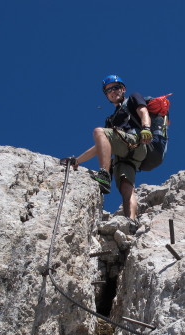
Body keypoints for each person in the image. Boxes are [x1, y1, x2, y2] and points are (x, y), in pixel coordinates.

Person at [60, 75, 152, 232]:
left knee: (98, 131)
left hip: (136, 141)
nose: (112, 92)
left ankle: (104, 174)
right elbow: (100, 146)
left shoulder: (133, 98)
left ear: (123, 89)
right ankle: (131, 222)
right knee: (125, 186)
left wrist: (146, 128)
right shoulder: (110, 120)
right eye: (108, 90)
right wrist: (78, 160)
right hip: (126, 154)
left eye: (115, 87)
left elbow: (143, 111)